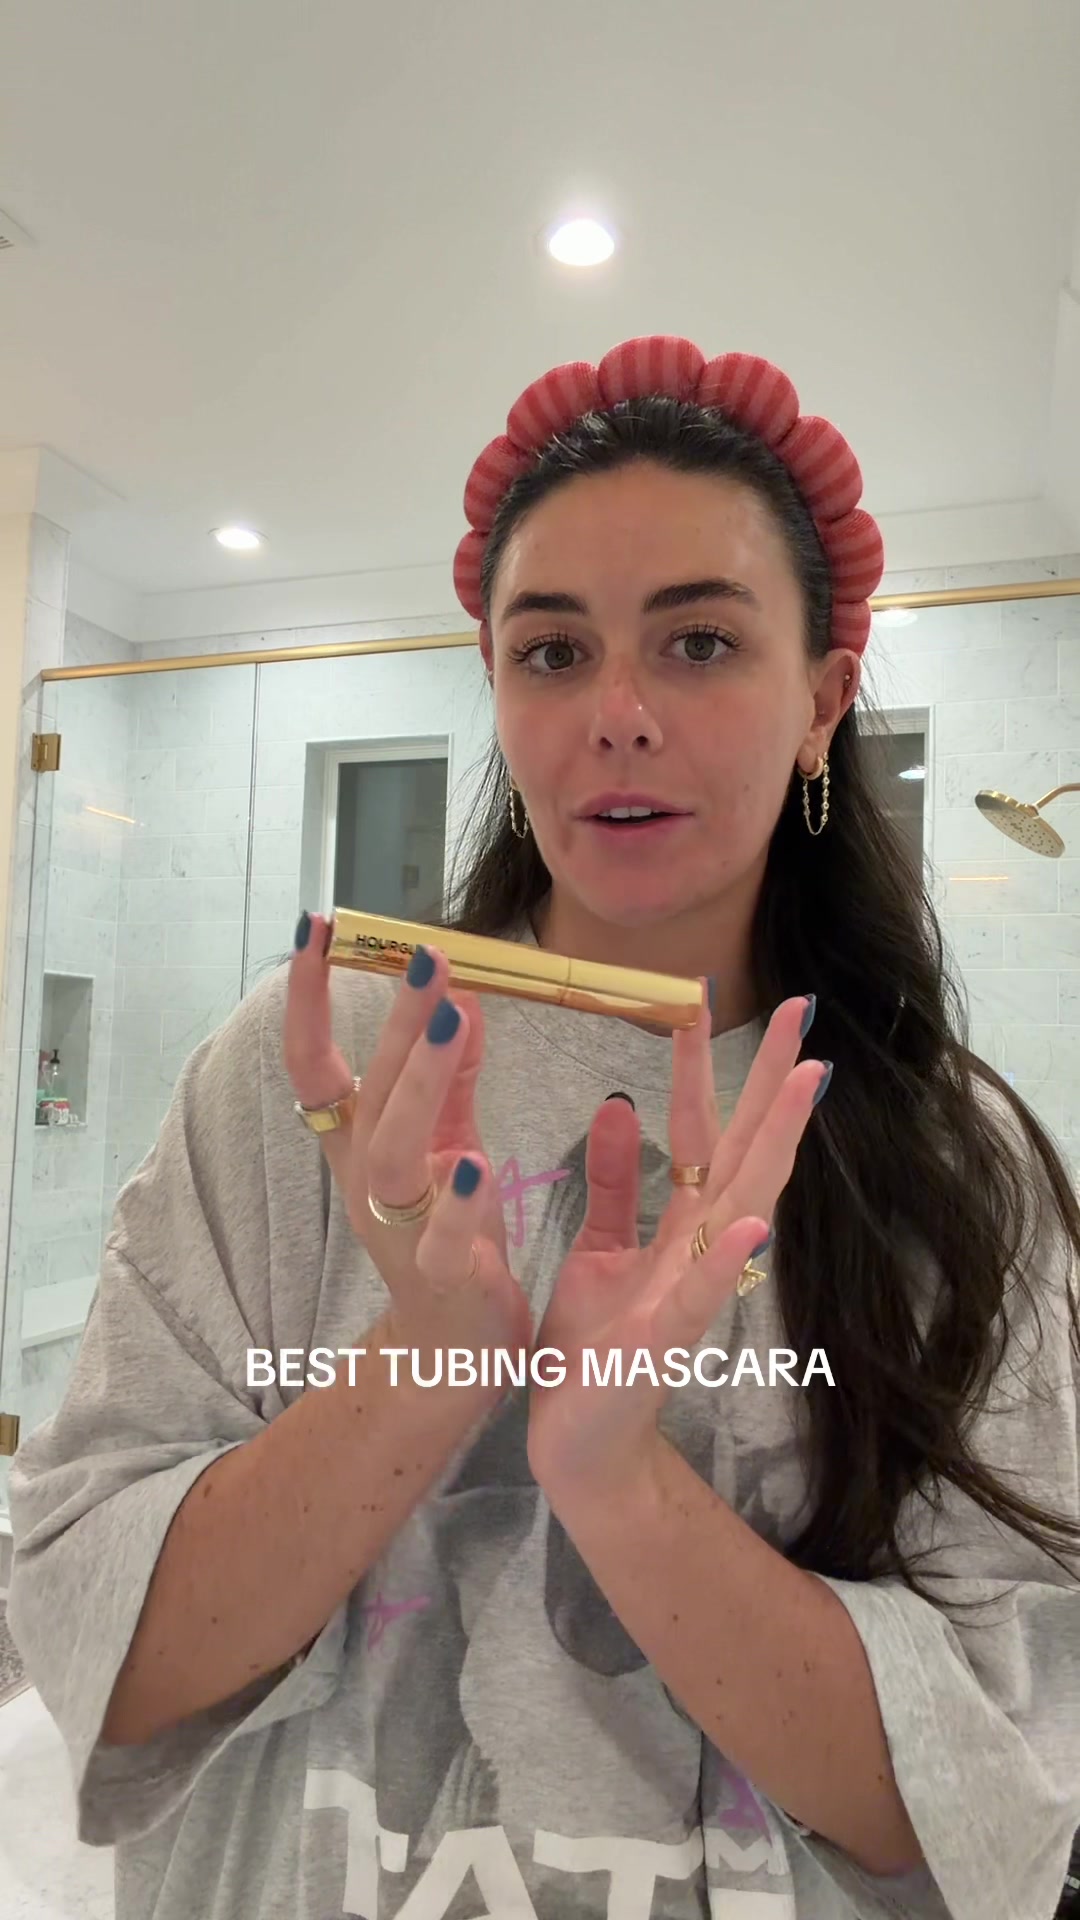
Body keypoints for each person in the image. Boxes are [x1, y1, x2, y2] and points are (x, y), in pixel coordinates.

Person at [8, 333, 1080, 1920]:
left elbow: (996, 1803)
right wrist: (431, 1355)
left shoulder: (949, 1157)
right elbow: (99, 1651)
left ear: (822, 700)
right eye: (554, 651)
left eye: (701, 642)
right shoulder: (323, 1068)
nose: (619, 714)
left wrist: (612, 1476)